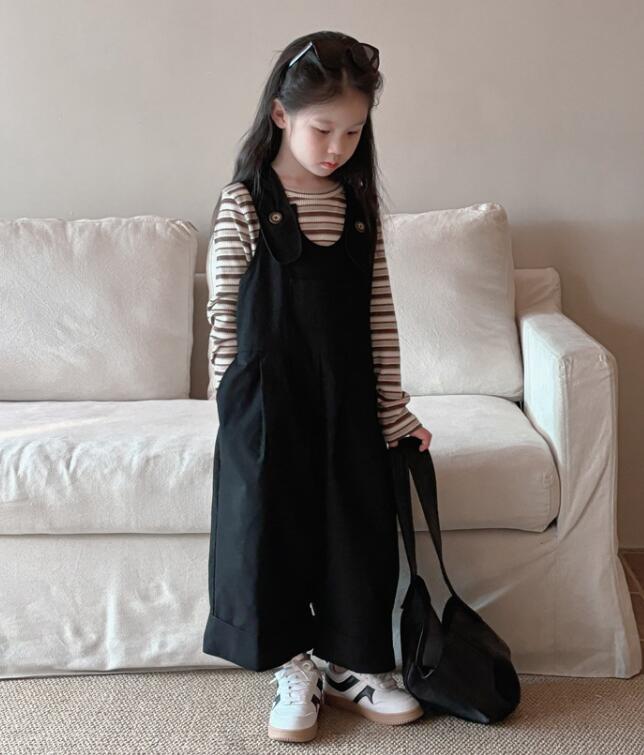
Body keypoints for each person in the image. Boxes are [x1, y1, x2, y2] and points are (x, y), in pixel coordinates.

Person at [202, 30, 433, 743]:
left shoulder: (358, 209)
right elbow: (222, 314)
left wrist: (395, 411)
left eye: (353, 131)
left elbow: (380, 317)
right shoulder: (246, 203)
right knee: (270, 529)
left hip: (349, 399)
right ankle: (292, 665)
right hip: (268, 401)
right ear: (281, 115)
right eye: (322, 128)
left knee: (355, 525)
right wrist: (232, 408)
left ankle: (353, 663)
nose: (337, 146)